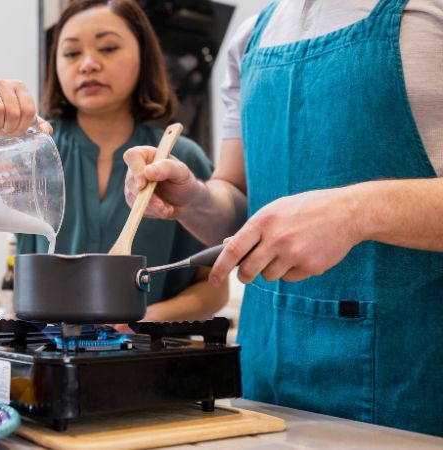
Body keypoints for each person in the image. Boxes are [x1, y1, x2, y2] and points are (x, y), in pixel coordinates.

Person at [123, 0, 443, 436]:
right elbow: (237, 205)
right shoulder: (250, 40)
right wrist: (192, 199)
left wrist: (356, 212)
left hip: (413, 384)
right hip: (267, 381)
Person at [0, 0, 228, 322]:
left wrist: (141, 320)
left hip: (148, 359)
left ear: (143, 59)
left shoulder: (179, 160)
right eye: (72, 53)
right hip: (44, 356)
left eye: (108, 48)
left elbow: (213, 287)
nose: (88, 64)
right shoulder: (33, 148)